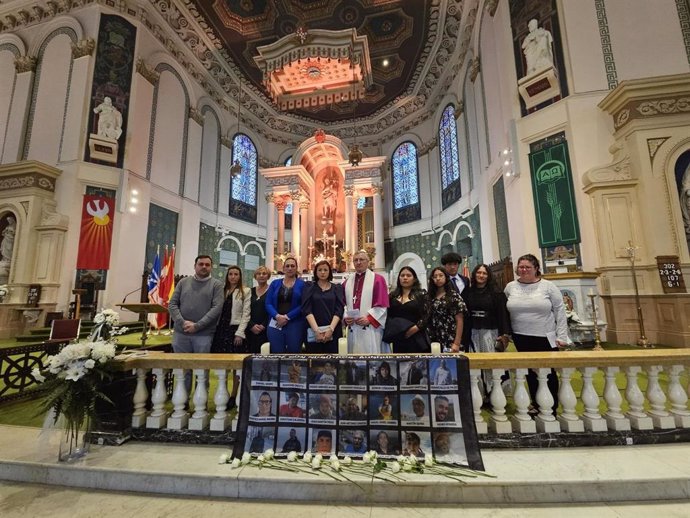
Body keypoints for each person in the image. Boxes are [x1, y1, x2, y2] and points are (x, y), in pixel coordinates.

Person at [505, 253, 570, 414]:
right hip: (520, 335)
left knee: (547, 371)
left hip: (545, 335)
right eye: (521, 267)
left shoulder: (548, 286)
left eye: (528, 267)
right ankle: (536, 402)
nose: (524, 269)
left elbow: (560, 310)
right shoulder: (511, 287)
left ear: (536, 268)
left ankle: (552, 406)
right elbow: (505, 308)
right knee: (530, 371)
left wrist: (561, 336)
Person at [168, 255, 225, 392]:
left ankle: (201, 406)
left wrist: (197, 326)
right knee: (182, 371)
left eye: (207, 264)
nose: (204, 267)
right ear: (195, 266)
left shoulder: (217, 285)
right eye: (201, 264)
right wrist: (182, 322)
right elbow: (172, 304)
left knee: (202, 371)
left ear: (211, 267)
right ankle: (183, 403)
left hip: (204, 335)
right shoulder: (183, 282)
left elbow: (217, 308)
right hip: (181, 334)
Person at [463, 263, 511, 397]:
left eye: (484, 273)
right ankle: (479, 393)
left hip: (490, 332)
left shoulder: (496, 293)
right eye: (479, 273)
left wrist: (504, 334)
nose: (481, 275)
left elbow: (503, 314)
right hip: (473, 333)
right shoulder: (468, 292)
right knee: (476, 364)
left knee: (491, 364)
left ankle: (495, 393)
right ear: (474, 275)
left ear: (488, 276)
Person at [211, 265, 251, 408]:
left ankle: (234, 395)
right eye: (231, 274)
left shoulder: (245, 291)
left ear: (240, 276)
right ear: (227, 276)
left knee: (236, 366)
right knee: (222, 364)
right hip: (222, 329)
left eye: (236, 274)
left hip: (235, 330)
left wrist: (240, 333)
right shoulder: (222, 290)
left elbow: (246, 314)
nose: (233, 277)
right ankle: (223, 391)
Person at [343, 250, 389, 353]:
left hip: (370, 329)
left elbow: (382, 305)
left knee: (372, 362)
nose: (358, 262)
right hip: (353, 328)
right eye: (355, 260)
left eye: (361, 259)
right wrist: (346, 317)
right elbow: (343, 305)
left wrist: (369, 318)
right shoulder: (347, 282)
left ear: (368, 262)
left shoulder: (377, 279)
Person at [301, 260, 344, 354]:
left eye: (325, 270)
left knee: (332, 363)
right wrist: (316, 331)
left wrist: (331, 329)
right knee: (314, 363)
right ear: (315, 272)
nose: (323, 272)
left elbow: (339, 310)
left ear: (330, 272)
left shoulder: (337, 288)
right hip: (313, 330)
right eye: (320, 270)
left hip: (333, 330)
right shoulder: (309, 287)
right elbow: (306, 309)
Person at [265, 256, 306, 353]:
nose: (290, 268)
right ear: (283, 269)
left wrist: (287, 317)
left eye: (292, 266)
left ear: (296, 268)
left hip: (295, 324)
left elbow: (303, 304)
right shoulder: (275, 283)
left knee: (294, 354)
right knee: (276, 353)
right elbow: (268, 303)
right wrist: (277, 316)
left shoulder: (302, 285)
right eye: (287, 266)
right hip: (275, 323)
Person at [384, 266, 430, 353]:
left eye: (408, 275)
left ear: (414, 279)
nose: (405, 278)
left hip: (417, 336)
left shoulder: (422, 294)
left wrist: (414, 329)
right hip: (399, 337)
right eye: (402, 275)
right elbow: (388, 316)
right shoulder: (392, 296)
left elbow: (427, 315)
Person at [426, 267, 466, 353]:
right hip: (434, 339)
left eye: (441, 275)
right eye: (435, 276)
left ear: (446, 277)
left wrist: (457, 343)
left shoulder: (454, 296)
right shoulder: (429, 297)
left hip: (450, 338)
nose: (438, 278)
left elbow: (460, 320)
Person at [441, 251, 471, 348]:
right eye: (450, 264)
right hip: (448, 321)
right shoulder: (441, 281)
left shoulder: (465, 280)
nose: (453, 267)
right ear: (445, 266)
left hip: (465, 320)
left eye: (455, 264)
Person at [247, 266, 271, 353]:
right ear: (255, 276)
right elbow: (245, 310)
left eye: (264, 273)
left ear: (268, 276)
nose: (261, 275)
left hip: (266, 329)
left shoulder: (272, 290)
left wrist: (264, 325)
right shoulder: (249, 291)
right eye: (259, 274)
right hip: (250, 329)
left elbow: (273, 310)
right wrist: (251, 325)